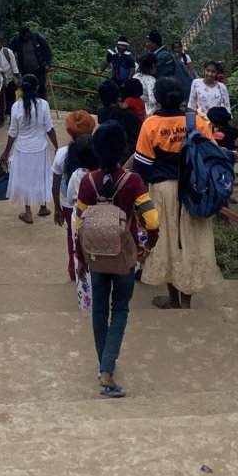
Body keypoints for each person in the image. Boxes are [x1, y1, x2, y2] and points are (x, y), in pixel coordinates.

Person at [74, 120, 160, 397]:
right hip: (124, 255)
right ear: (123, 149)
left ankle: (104, 364)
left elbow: (78, 223)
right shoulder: (133, 181)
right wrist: (148, 246)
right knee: (120, 308)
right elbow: (151, 220)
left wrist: (80, 257)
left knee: (99, 309)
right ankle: (107, 369)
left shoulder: (88, 182)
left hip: (96, 256)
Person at [132, 77, 219, 309]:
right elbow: (212, 156)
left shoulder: (150, 125)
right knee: (190, 241)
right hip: (193, 190)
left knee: (168, 242)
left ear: (157, 98)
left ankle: (173, 299)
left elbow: (141, 169)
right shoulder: (197, 122)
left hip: (163, 191)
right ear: (182, 98)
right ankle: (187, 301)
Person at [0, 73, 57, 223]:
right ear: (37, 88)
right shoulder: (44, 105)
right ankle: (43, 207)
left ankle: (28, 212)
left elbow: (13, 132)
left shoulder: (16, 107)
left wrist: (6, 152)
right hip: (40, 148)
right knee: (41, 176)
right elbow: (49, 128)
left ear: (22, 88)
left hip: (22, 149)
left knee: (25, 179)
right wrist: (57, 146)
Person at [53, 110, 97, 279]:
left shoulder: (62, 153)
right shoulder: (97, 151)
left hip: (69, 205)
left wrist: (57, 207)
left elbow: (56, 182)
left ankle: (74, 271)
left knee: (72, 237)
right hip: (93, 205)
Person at [95, 79, 142, 156]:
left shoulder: (101, 112)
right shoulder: (127, 113)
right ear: (118, 96)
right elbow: (138, 132)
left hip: (107, 151)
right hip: (127, 152)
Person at [146, 30, 193, 102]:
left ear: (154, 43)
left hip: (174, 95)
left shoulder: (163, 57)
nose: (146, 44)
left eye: (148, 42)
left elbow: (158, 77)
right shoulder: (161, 54)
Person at [13, 24, 52, 96]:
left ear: (28, 32)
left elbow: (47, 50)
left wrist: (47, 63)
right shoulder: (17, 40)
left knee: (41, 88)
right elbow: (11, 51)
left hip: (38, 68)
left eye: (25, 34)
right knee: (27, 88)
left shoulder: (37, 37)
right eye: (22, 35)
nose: (24, 37)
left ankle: (41, 101)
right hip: (24, 70)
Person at [0, 34, 19, 128]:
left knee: (10, 100)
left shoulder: (8, 52)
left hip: (9, 79)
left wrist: (19, 78)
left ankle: (11, 118)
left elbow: (14, 66)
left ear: (1, 43)